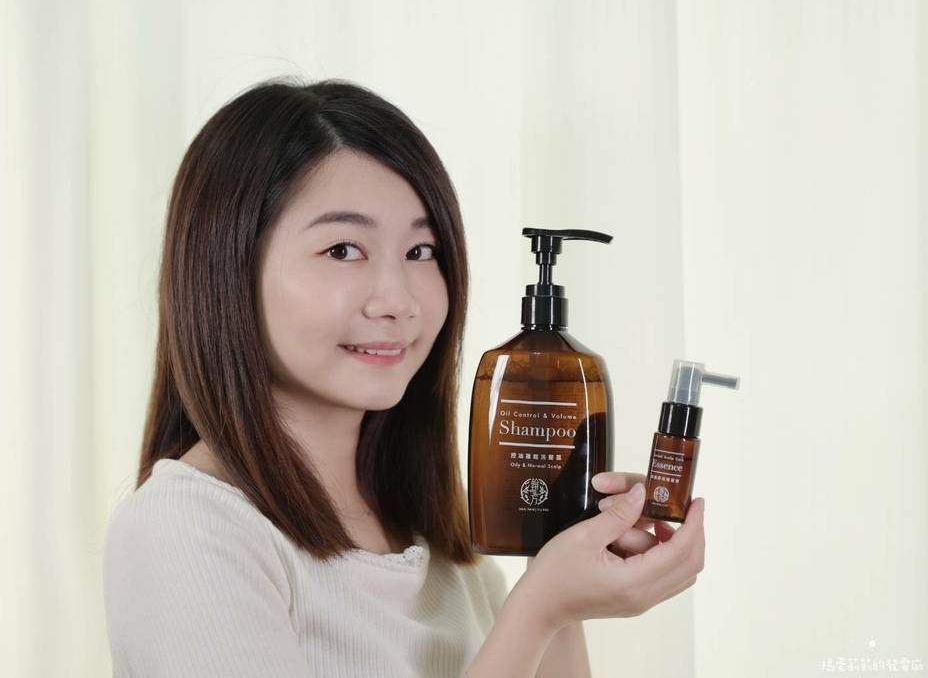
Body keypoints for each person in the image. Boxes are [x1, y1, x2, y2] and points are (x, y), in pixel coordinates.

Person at [102, 77, 705, 678]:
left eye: (421, 252)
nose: (398, 301)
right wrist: (538, 611)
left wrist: (560, 562)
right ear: (227, 267)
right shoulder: (188, 531)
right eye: (343, 250)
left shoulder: (448, 555)